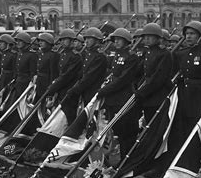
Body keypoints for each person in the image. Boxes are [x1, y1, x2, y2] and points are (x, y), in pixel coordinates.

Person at [170, 21, 201, 158]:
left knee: (197, 127)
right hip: (184, 95)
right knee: (183, 127)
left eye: (192, 34)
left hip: (200, 96)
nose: (188, 37)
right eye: (186, 34)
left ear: (200, 36)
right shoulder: (181, 54)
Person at [98, 28, 139, 160]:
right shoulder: (116, 55)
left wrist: (104, 90)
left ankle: (127, 159)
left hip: (124, 97)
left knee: (126, 132)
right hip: (113, 99)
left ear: (126, 41)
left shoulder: (131, 56)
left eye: (119, 39)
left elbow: (123, 79)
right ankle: (117, 157)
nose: (116, 42)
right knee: (116, 131)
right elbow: (112, 74)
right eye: (115, 39)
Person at [62, 27, 107, 124]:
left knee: (91, 120)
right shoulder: (89, 54)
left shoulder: (100, 56)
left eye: (89, 39)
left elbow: (89, 77)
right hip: (85, 91)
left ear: (96, 41)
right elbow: (82, 74)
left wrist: (75, 90)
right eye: (85, 39)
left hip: (93, 91)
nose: (86, 41)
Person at [134, 23, 173, 122]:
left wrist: (142, 92)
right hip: (148, 96)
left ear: (157, 38)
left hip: (158, 96)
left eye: (150, 37)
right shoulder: (148, 52)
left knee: (156, 126)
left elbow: (158, 77)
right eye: (145, 37)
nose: (146, 39)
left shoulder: (164, 54)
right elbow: (144, 73)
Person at [46, 29, 83, 112]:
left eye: (65, 39)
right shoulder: (62, 54)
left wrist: (53, 87)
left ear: (71, 41)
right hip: (60, 90)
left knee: (68, 115)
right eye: (61, 40)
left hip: (69, 91)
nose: (62, 42)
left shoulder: (76, 56)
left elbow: (67, 76)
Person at [13, 32, 38, 98]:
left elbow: (33, 73)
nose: (17, 43)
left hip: (26, 84)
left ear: (26, 42)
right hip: (18, 83)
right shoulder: (19, 54)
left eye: (20, 41)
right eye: (17, 41)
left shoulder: (32, 55)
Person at [35, 33, 59, 100]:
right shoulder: (41, 54)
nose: (40, 43)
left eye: (42, 41)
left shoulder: (53, 55)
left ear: (49, 43)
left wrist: (51, 89)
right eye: (39, 41)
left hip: (47, 83)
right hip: (40, 84)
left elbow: (53, 73)